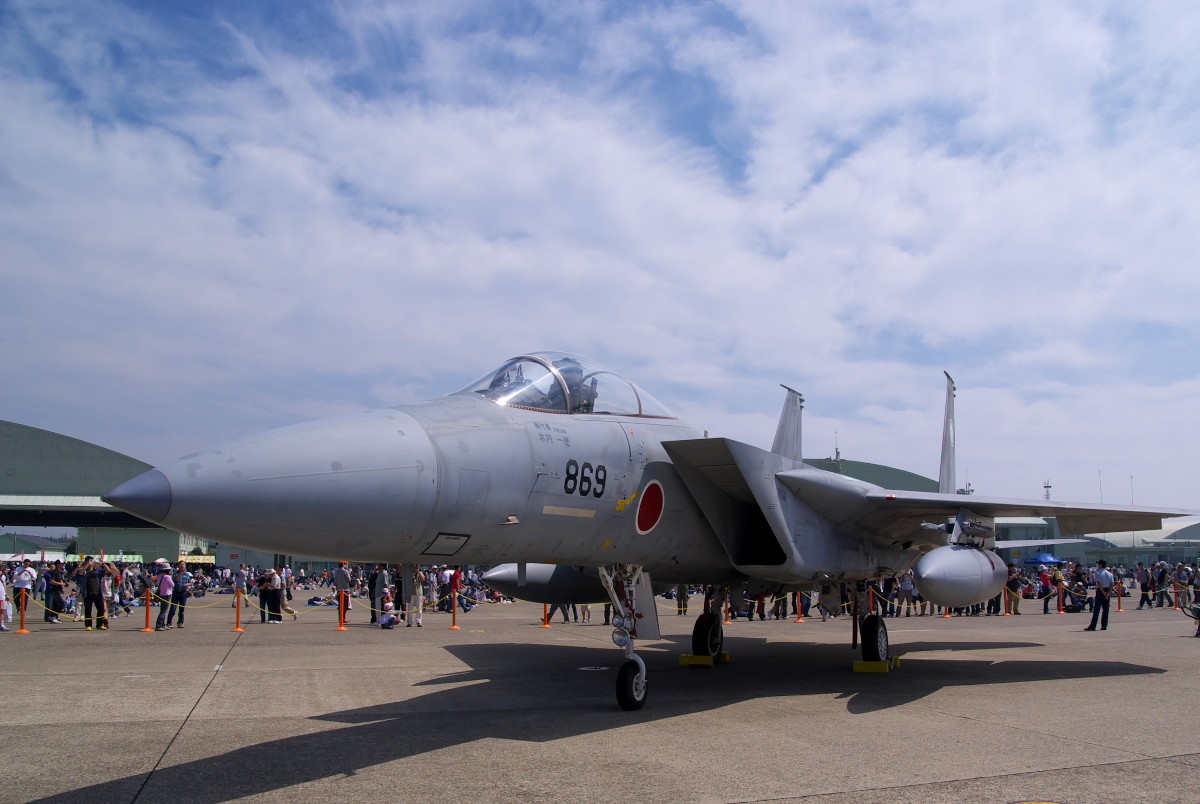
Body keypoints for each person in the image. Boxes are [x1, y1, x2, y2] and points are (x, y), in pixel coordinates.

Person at [1084, 559, 1114, 631]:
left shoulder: (1098, 573)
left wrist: (1103, 592)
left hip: (1100, 591)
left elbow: (1098, 583)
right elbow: (1112, 584)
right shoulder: (1110, 574)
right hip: (1107, 591)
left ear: (1100, 565)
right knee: (1105, 609)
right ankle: (1104, 626)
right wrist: (1108, 593)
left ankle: (1093, 626)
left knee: (1097, 609)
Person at [165, 561, 192, 629]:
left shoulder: (187, 574)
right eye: (180, 565)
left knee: (182, 609)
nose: (182, 566)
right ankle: (169, 622)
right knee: (173, 608)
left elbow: (190, 583)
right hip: (176, 592)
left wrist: (188, 585)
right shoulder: (175, 573)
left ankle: (180, 622)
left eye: (183, 565)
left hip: (183, 593)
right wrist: (180, 573)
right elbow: (175, 579)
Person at [153, 565, 175, 630]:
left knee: (162, 609)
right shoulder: (167, 577)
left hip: (161, 593)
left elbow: (157, 583)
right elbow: (172, 585)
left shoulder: (159, 576)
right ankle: (159, 625)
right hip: (167, 594)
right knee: (163, 611)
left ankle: (163, 624)